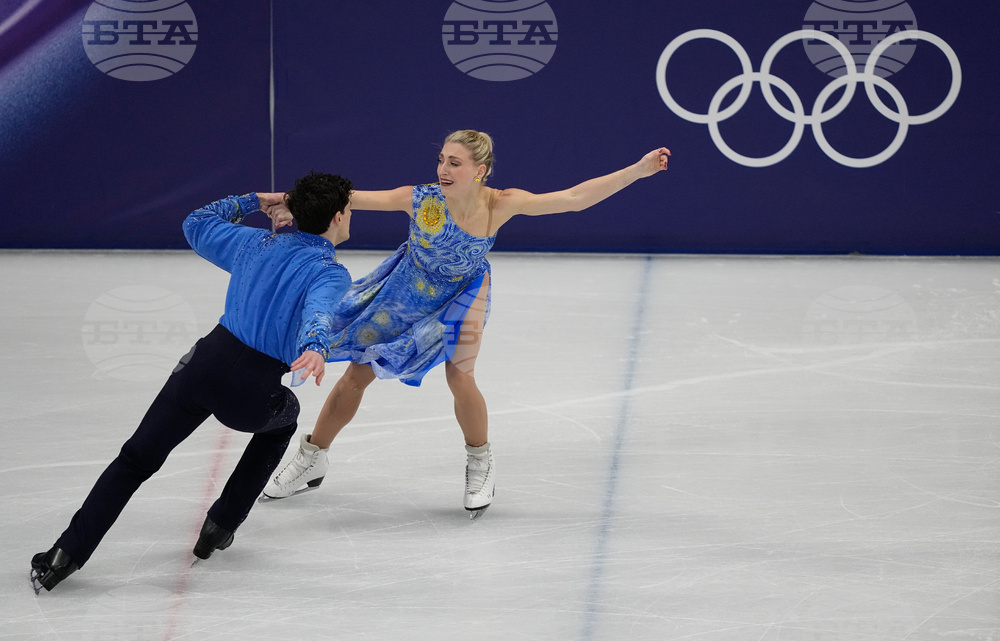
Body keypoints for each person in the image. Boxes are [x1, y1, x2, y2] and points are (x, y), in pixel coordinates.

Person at [260, 130, 671, 518]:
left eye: (454, 163)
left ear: (480, 170)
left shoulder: (501, 203)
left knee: (460, 376)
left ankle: (480, 462)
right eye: (441, 160)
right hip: (405, 290)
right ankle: (312, 458)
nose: (443, 169)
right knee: (356, 373)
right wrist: (283, 200)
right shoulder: (420, 199)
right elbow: (347, 196)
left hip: (464, 295)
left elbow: (575, 198)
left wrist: (638, 170)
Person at [30, 173, 354, 593]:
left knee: (135, 459)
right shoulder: (330, 272)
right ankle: (220, 526)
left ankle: (64, 555)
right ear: (336, 216)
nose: (350, 216)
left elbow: (197, 221)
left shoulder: (256, 244)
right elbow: (320, 312)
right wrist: (315, 347)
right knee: (284, 424)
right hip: (251, 390)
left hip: (202, 366)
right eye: (349, 210)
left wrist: (253, 199)